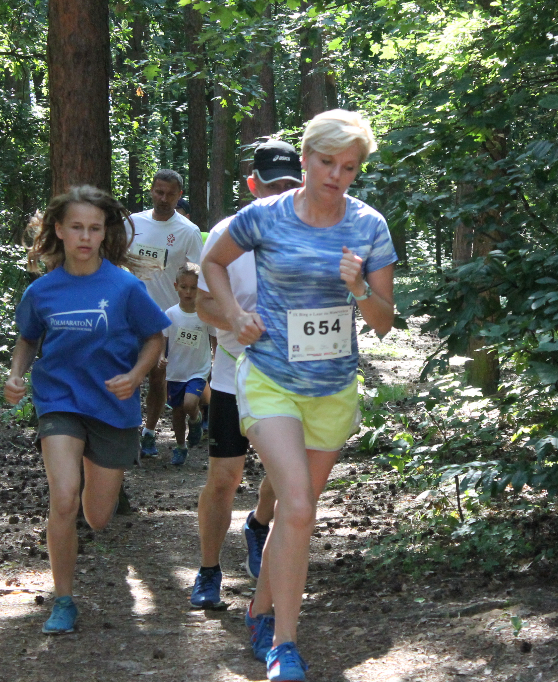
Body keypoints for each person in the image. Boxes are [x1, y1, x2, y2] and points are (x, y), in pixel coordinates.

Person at [202, 112, 396, 681]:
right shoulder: (263, 216)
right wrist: (236, 315)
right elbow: (213, 262)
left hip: (333, 388)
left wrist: (359, 288)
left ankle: (260, 612)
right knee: (302, 508)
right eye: (327, 162)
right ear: (306, 158)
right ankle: (284, 645)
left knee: (293, 511)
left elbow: (383, 322)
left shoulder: (369, 227)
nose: (337, 176)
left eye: (349, 167)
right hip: (270, 380)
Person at [3, 185, 170, 635]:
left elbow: (155, 336)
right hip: (59, 401)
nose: (84, 236)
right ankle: (63, 599)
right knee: (63, 497)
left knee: (98, 515)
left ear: (103, 235)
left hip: (112, 408)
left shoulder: (125, 286)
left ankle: (95, 476)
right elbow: (28, 339)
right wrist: (17, 374)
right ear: (58, 230)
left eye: (94, 229)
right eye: (76, 227)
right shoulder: (42, 291)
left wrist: (136, 376)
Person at [189, 140, 303, 610]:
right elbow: (201, 304)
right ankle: (209, 571)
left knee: (284, 474)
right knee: (223, 476)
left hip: (291, 376)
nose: (280, 192)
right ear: (252, 185)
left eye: (289, 185)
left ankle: (258, 524)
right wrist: (237, 318)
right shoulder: (227, 234)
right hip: (235, 374)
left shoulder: (313, 232)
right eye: (271, 184)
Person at [129, 170, 204, 459]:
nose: (163, 198)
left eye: (170, 194)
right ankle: (132, 430)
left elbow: (199, 275)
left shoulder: (188, 231)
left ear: (179, 195)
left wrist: (195, 312)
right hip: (133, 316)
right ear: (151, 190)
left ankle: (148, 433)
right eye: (158, 191)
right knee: (130, 375)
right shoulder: (135, 223)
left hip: (168, 319)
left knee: (159, 378)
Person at [163, 262, 214, 466]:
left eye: (193, 288)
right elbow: (162, 340)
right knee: (176, 412)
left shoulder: (204, 314)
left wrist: (216, 360)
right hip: (175, 371)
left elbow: (214, 338)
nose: (188, 292)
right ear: (176, 286)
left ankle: (195, 421)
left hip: (198, 370)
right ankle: (180, 446)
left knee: (189, 403)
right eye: (184, 287)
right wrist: (160, 357)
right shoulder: (170, 314)